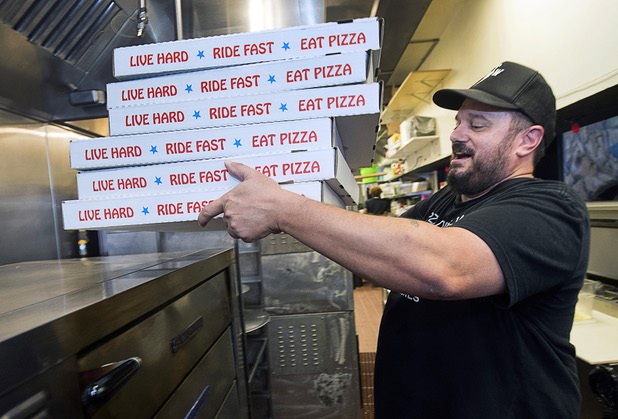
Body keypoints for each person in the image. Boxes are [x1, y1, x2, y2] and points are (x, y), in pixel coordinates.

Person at [198, 61, 590, 418]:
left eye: (478, 124)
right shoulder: (448, 199)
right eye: (458, 122)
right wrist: (288, 195)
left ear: (528, 141)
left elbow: (444, 269)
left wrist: (285, 209)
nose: (456, 135)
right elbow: (380, 248)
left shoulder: (552, 209)